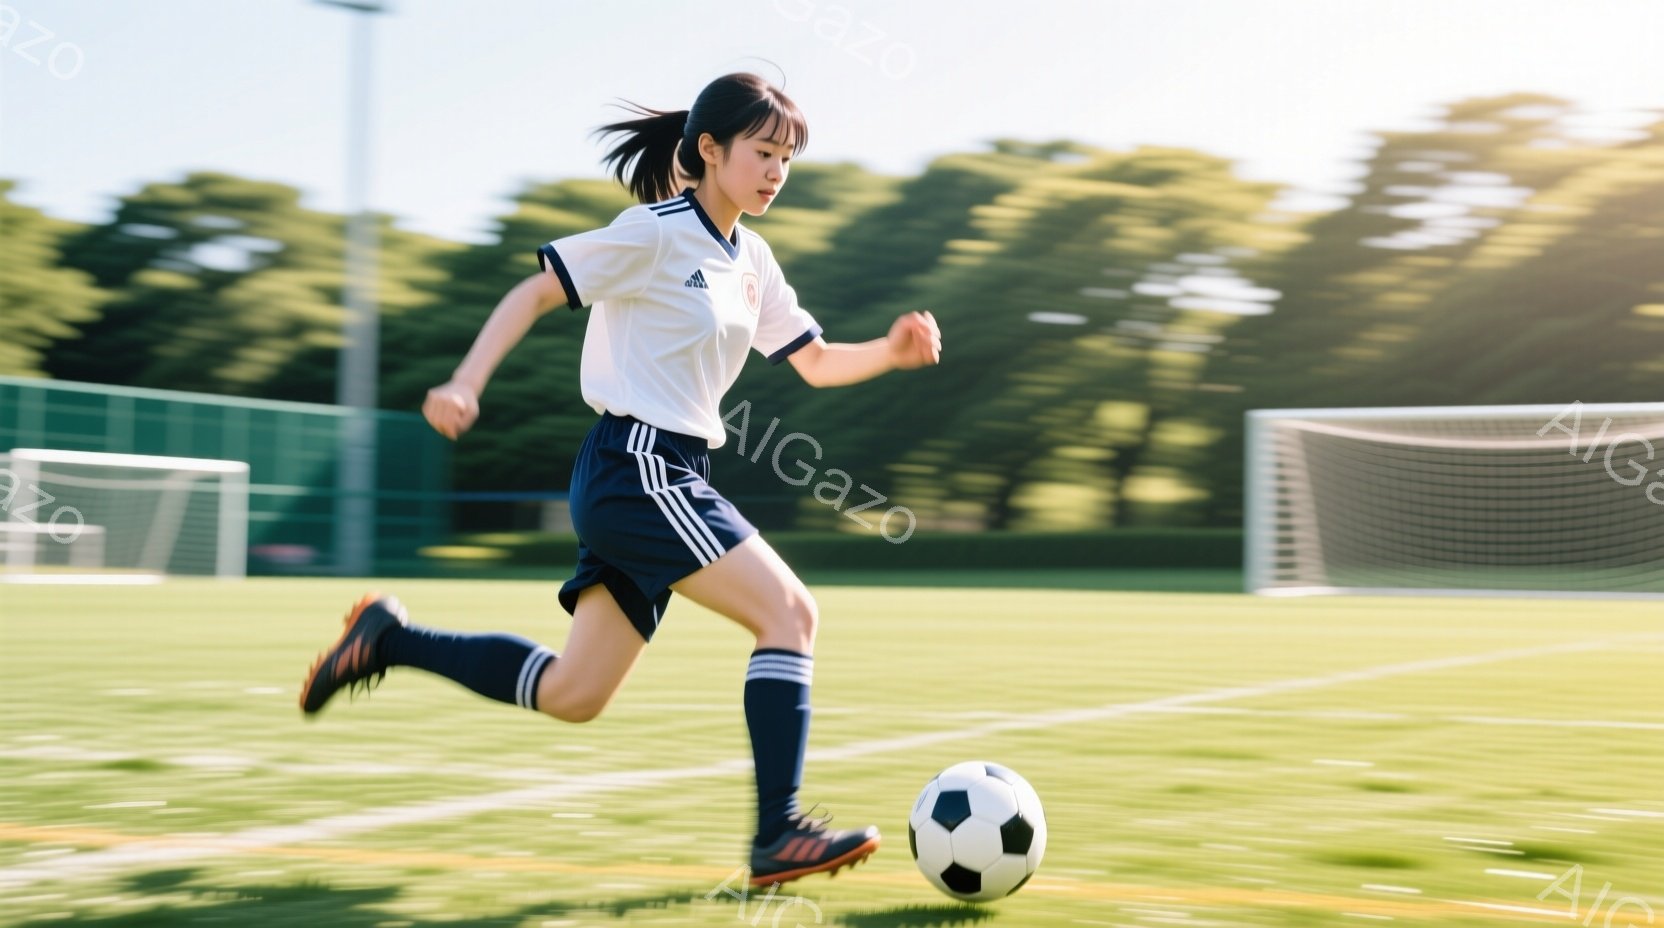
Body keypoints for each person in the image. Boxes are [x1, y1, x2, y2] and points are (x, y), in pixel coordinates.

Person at [297, 72, 942, 887]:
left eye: (788, 158)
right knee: (789, 614)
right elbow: (535, 291)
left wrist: (889, 351)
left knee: (575, 692)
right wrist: (466, 383)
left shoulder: (753, 261)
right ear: (709, 150)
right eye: (763, 152)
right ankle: (778, 833)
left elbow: (813, 362)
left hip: (668, 471)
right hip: (634, 465)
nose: (777, 171)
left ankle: (387, 640)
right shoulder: (655, 233)